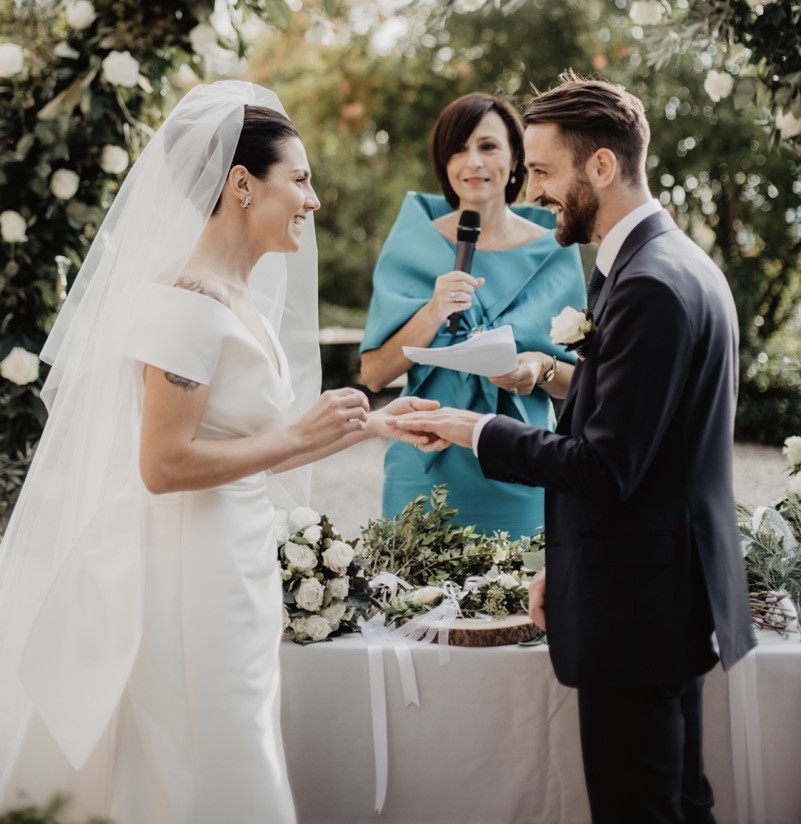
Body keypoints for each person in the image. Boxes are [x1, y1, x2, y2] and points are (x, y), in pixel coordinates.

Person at [0, 81, 437, 823]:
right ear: (241, 183)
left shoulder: (237, 296)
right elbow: (163, 464)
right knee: (214, 758)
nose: (314, 200)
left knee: (230, 745)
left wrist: (369, 426)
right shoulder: (187, 300)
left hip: (234, 565)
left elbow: (246, 445)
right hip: (185, 576)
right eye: (299, 179)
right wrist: (300, 434)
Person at [399, 74, 755, 824]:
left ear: (600, 167)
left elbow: (604, 465)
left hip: (638, 612)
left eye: (543, 171)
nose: (532, 191)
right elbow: (637, 428)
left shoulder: (651, 283)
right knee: (677, 806)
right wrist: (565, 566)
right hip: (653, 594)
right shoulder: (669, 262)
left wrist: (475, 430)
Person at [360, 92, 585, 537]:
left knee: (520, 604)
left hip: (522, 464)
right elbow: (372, 374)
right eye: (458, 149)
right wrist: (432, 311)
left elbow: (582, 382)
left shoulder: (556, 249)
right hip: (424, 463)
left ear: (516, 158)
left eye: (488, 146)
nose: (472, 162)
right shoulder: (412, 242)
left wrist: (536, 369)